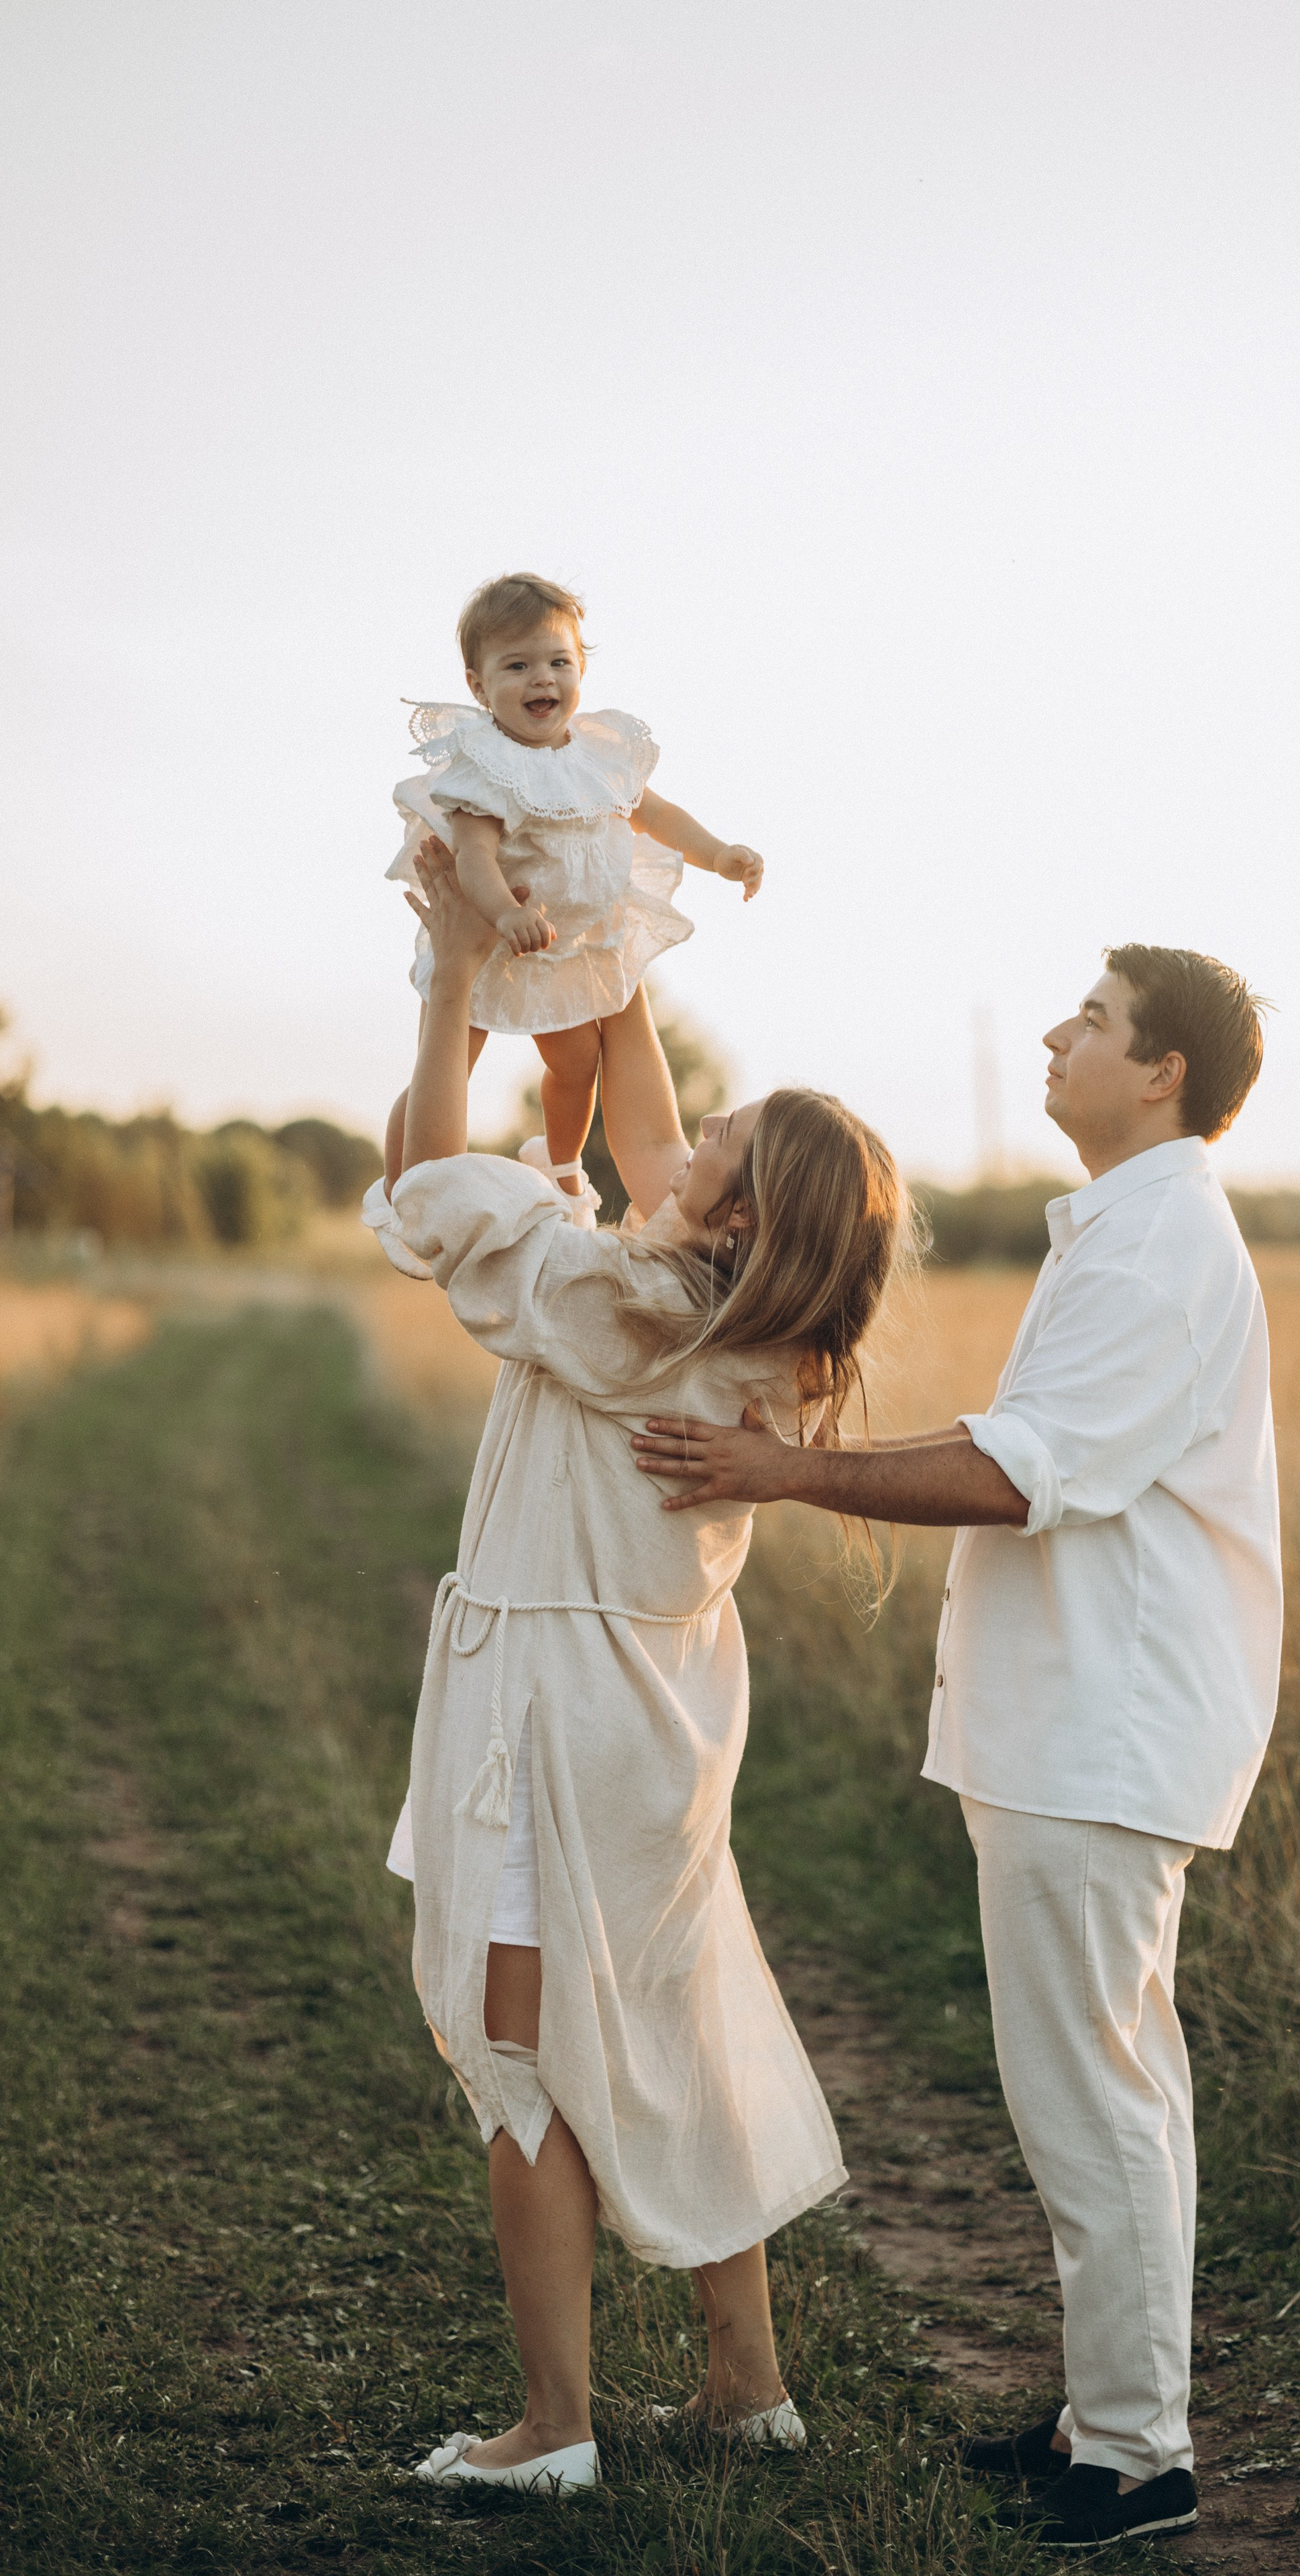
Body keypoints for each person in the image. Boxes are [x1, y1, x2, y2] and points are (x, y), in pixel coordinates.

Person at [631, 945, 1283, 2550]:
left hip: (1101, 1731)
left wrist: (786, 1472)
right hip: (1075, 1727)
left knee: (1095, 2095)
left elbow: (1019, 1472)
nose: (1055, 1035)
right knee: (1103, 2082)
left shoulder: (1156, 1249)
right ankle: (1100, 2412)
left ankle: (1135, 2457)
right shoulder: (1132, 1227)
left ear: (1162, 1074)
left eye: (1091, 1022)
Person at [380, 847, 912, 2499]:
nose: (685, 1142)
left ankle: (550, 2427)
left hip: (555, 1709)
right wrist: (598, 932)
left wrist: (461, 976)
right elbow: (639, 1125)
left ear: (739, 1208)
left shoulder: (614, 1297)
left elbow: (417, 1186)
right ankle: (745, 2385)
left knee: (522, 2045)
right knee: (677, 2022)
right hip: (663, 1715)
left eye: (719, 1147)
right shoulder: (761, 1331)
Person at [378, 570, 765, 1217]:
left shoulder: (601, 754)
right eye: (517, 665)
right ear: (478, 685)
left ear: (581, 668)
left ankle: (563, 1170)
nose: (543, 679)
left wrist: (719, 855)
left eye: (560, 661)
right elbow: (472, 858)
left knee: (578, 1063)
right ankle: (400, 1192)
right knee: (441, 1073)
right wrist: (505, 911)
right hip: (488, 941)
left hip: (571, 943)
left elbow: (658, 816)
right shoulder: (487, 766)